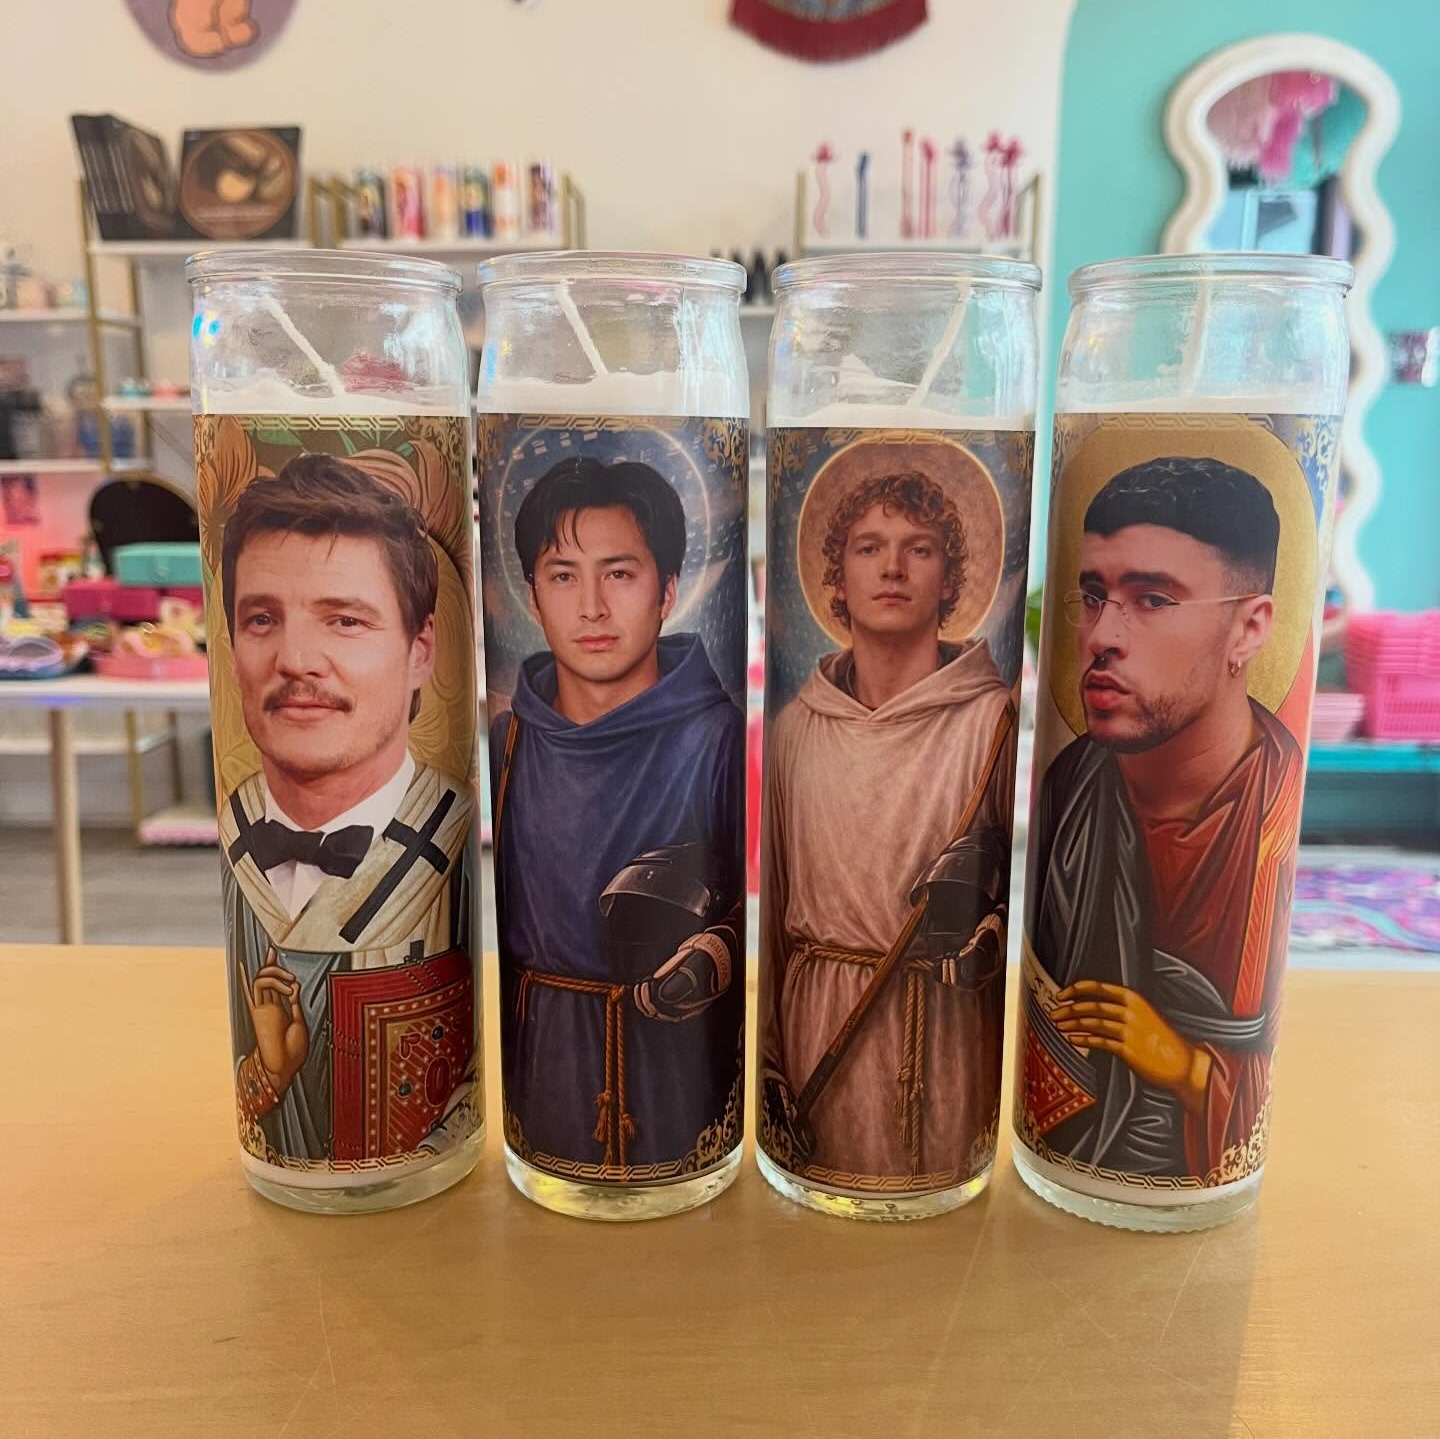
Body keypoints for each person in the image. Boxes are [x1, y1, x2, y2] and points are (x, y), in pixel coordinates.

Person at [1021, 455, 1303, 1183]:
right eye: (1092, 596)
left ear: (1249, 628)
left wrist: (1183, 1065)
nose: (1099, 637)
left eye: (1151, 600)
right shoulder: (1072, 788)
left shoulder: (1272, 816)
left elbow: (1253, 1056)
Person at [760, 467, 1017, 1190]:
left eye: (919, 548)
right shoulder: (797, 728)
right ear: (838, 578)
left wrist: (982, 942)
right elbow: (775, 915)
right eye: (869, 547)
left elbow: (1000, 893)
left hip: (939, 1033)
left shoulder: (990, 721)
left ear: (950, 576)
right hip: (819, 1024)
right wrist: (773, 1060)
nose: (893, 568)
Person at [217, 453, 476, 1167]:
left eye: (345, 621)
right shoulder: (237, 835)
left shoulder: (448, 836)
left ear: (420, 650)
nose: (297, 659)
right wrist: (269, 1070)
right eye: (262, 618)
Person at [490, 456, 744, 1180]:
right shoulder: (510, 739)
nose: (592, 607)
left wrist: (707, 957)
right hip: (546, 1060)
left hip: (674, 1064)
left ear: (667, 591)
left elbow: (735, 905)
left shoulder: (716, 737)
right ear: (533, 597)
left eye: (620, 573)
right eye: (563, 576)